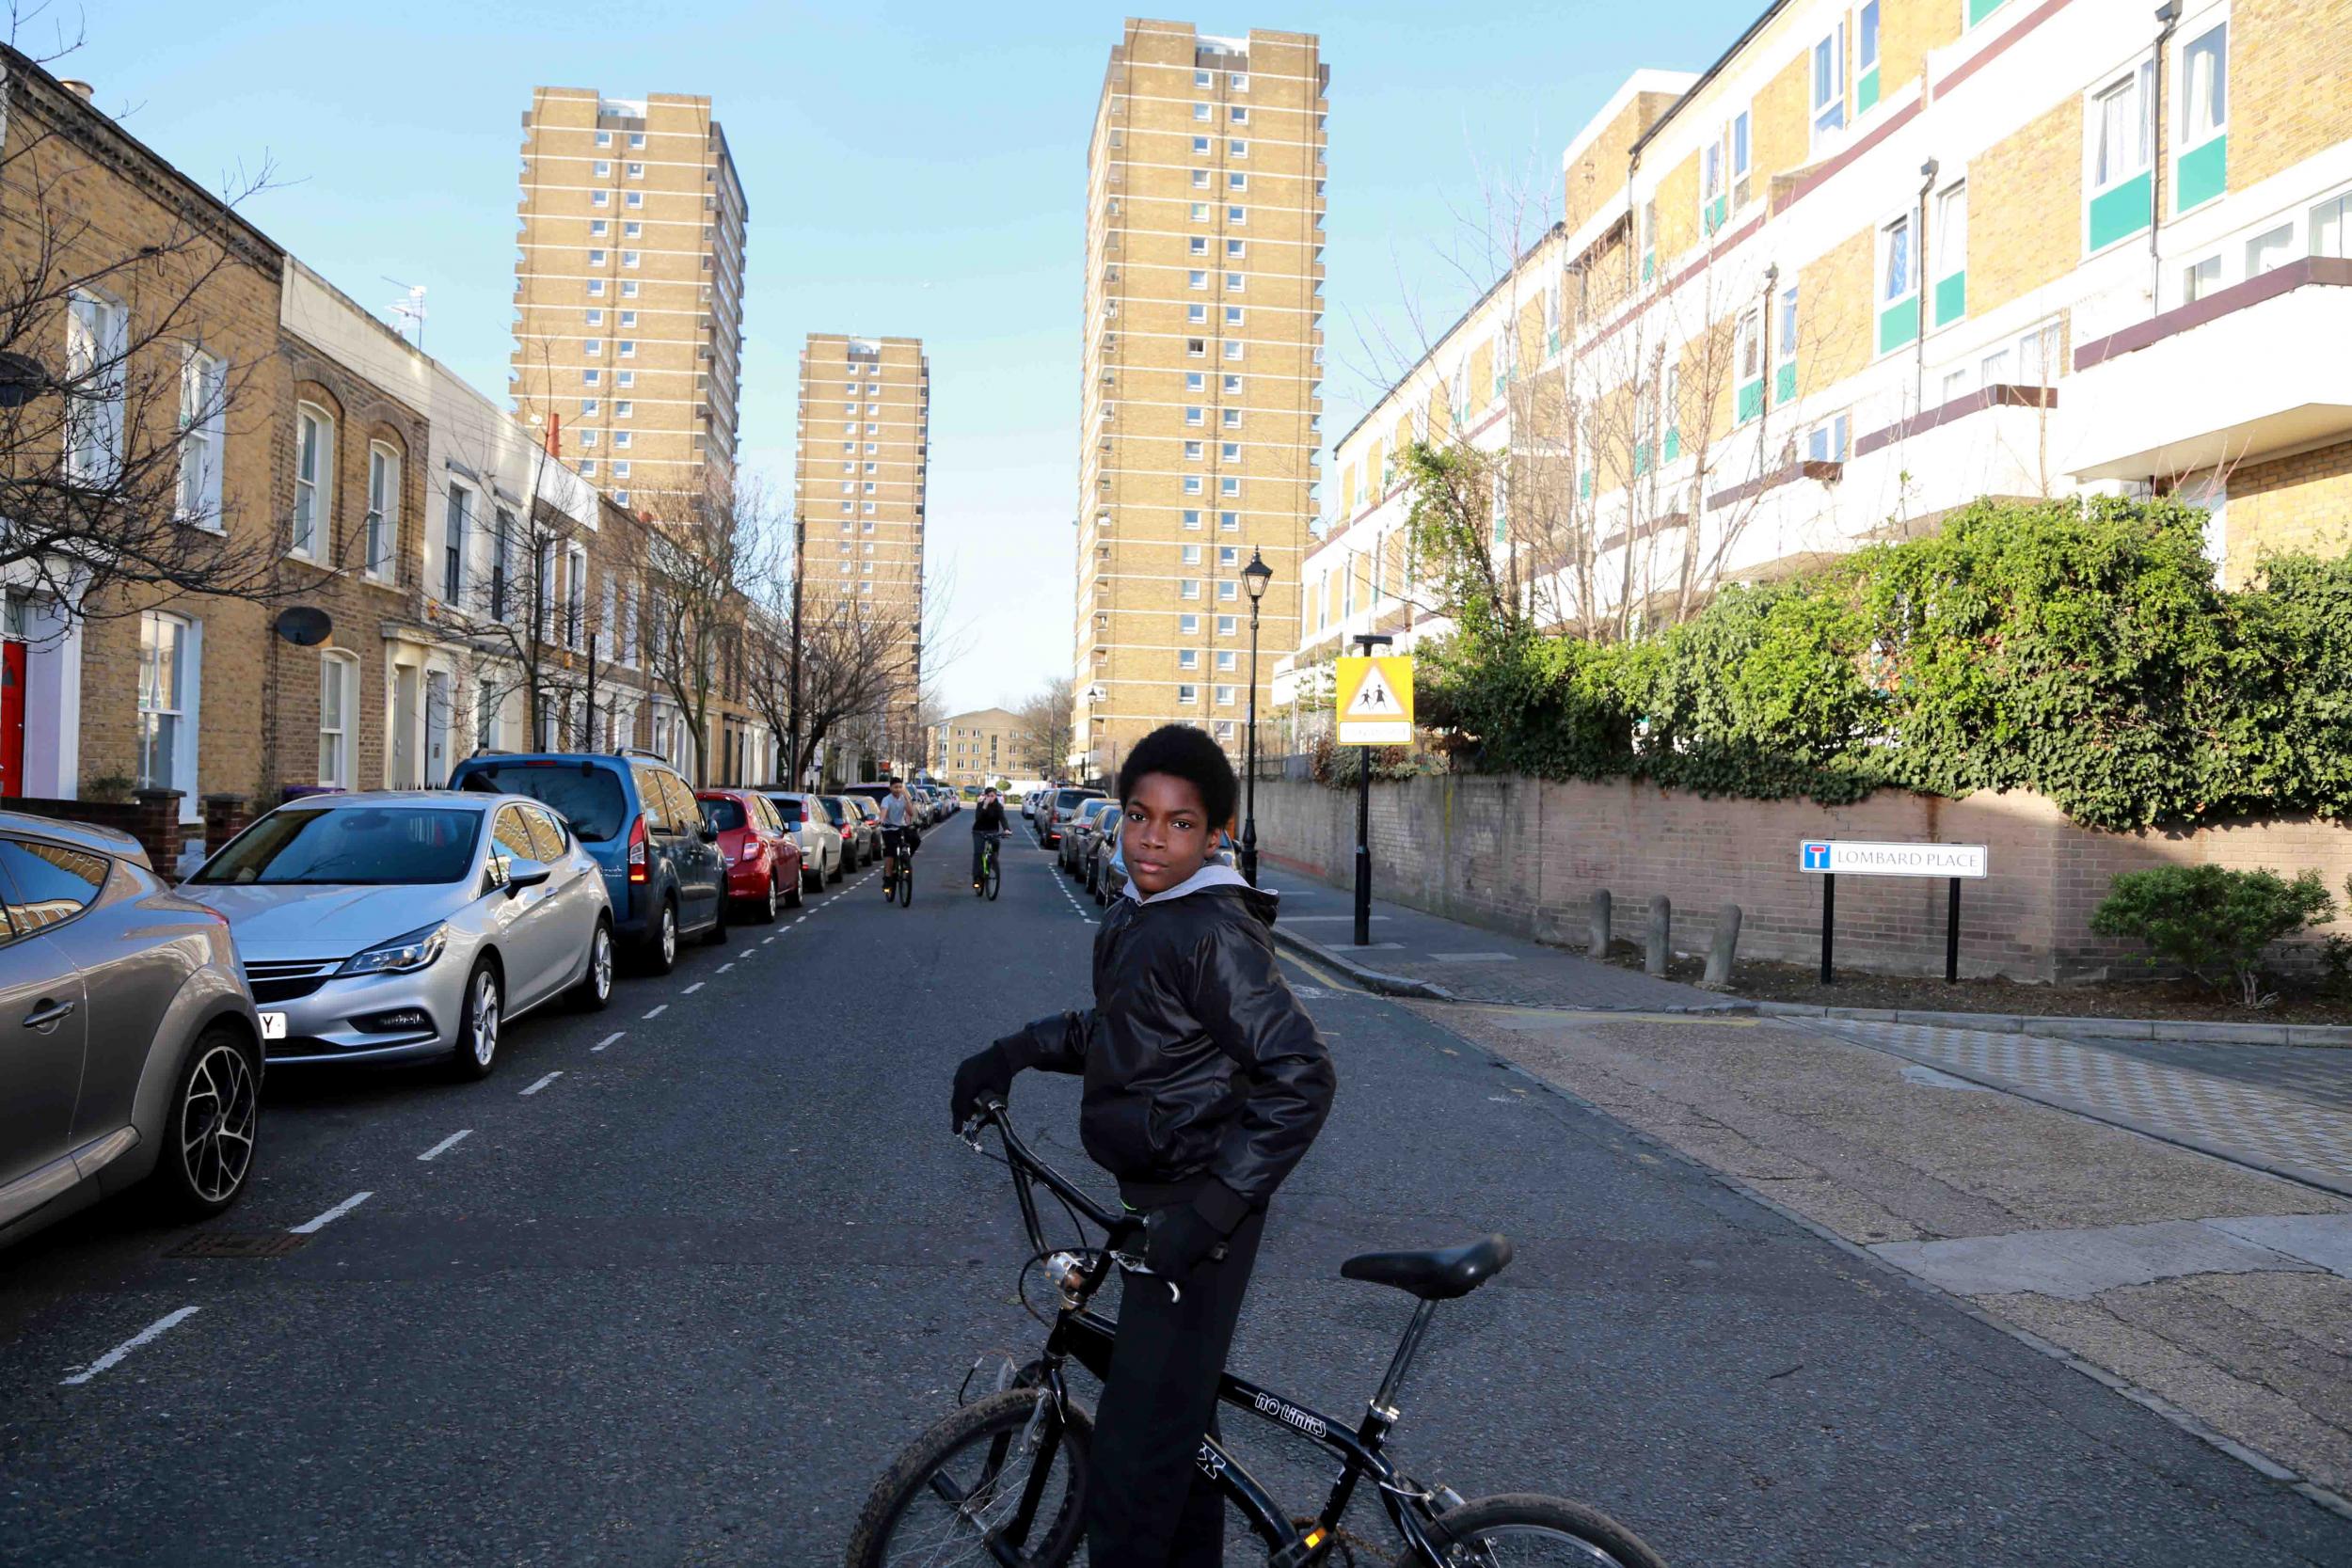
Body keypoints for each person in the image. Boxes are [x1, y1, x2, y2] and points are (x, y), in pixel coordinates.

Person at [950, 725, 1336, 1567]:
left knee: (1128, 1485)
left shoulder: (1209, 930)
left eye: (1180, 822)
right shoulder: (1143, 913)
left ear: (1215, 834)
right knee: (1183, 1447)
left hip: (1198, 1213)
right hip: (1157, 1197)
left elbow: (1301, 1074)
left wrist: (1213, 1211)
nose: (1153, 836)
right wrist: (1013, 1051)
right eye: (1137, 814)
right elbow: (1129, 1035)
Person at [878, 778, 914, 894]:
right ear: (891, 788)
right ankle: (888, 877)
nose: (898, 790)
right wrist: (882, 820)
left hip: (900, 827)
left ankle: (905, 860)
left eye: (900, 787)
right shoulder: (886, 799)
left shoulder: (904, 798)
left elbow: (911, 813)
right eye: (895, 787)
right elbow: (884, 811)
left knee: (916, 839)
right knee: (891, 850)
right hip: (889, 828)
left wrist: (907, 798)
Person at [970, 785, 1007, 889]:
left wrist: (1006, 829)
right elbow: (978, 818)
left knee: (996, 844)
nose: (990, 798)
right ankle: (977, 877)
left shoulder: (998, 806)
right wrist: (984, 806)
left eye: (992, 796)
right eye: (988, 796)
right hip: (979, 831)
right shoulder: (981, 805)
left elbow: (1002, 818)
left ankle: (993, 862)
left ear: (995, 796)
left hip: (992, 830)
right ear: (985, 796)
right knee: (978, 853)